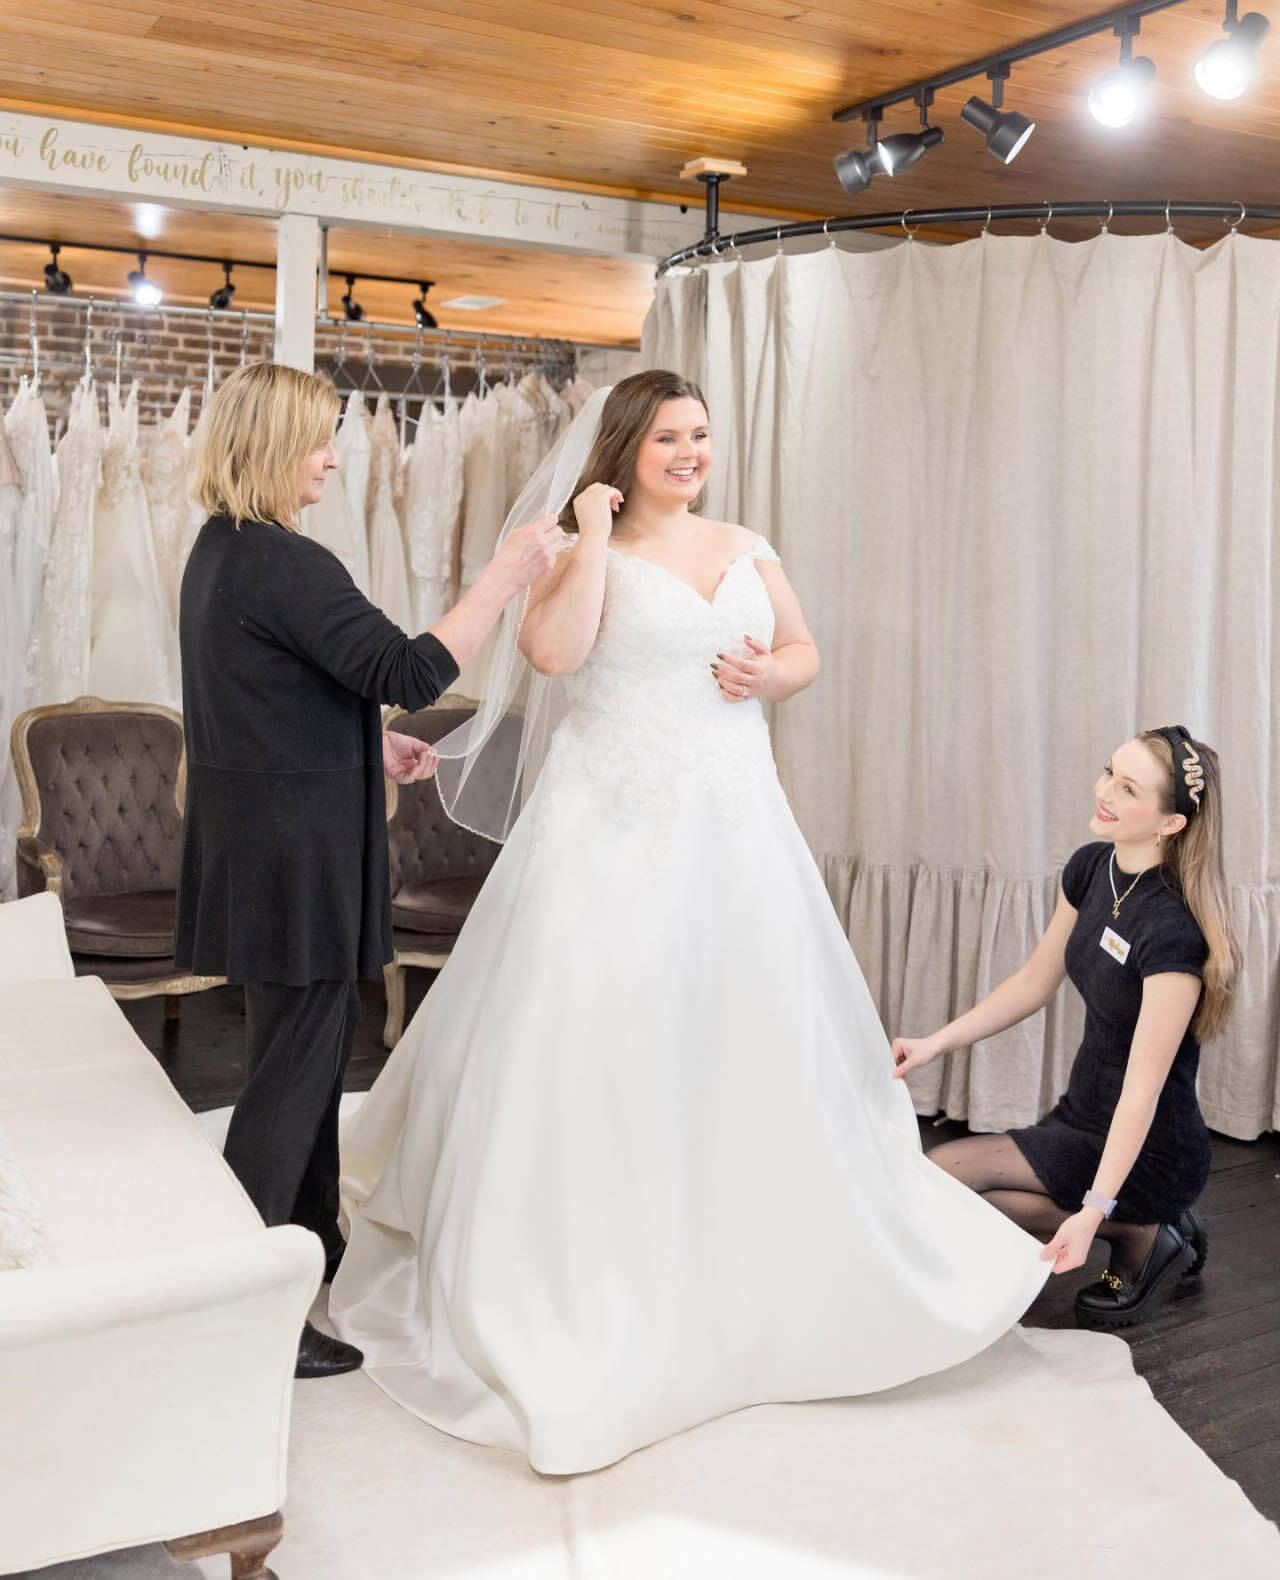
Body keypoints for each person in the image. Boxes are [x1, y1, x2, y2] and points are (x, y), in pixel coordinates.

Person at [329, 370, 1048, 1473]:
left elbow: (804, 653)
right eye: (668, 436)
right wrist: (586, 537)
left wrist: (770, 672)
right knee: (601, 1027)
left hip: (733, 815)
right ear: (626, 445)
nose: (687, 453)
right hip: (607, 817)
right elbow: (553, 657)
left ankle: (760, 1252)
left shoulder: (745, 540)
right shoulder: (588, 547)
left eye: (699, 436)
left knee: (743, 1022)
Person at [176, 362, 559, 1379]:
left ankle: (305, 1254)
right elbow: (408, 671)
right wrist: (502, 576)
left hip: (258, 836)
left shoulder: (221, 553)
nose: (335, 456)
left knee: (295, 1057)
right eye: (319, 438)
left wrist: (362, 745)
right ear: (269, 445)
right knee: (290, 1077)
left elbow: (269, 694)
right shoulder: (288, 563)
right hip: (295, 850)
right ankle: (237, 1300)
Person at [892, 728, 1240, 1328]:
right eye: (1109, 771)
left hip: (1150, 1143)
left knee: (945, 1176)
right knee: (981, 1197)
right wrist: (934, 1044)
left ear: (1169, 824)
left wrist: (1093, 1210)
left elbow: (1143, 1092)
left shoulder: (1173, 933)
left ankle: (1138, 1225)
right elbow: (1032, 982)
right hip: (1084, 1112)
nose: (1102, 791)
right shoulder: (1091, 869)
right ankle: (1147, 1229)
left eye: (1127, 788)